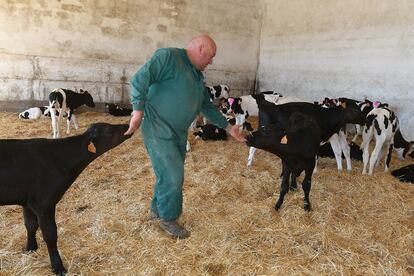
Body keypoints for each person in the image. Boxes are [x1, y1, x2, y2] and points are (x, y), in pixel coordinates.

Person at [124, 34, 245, 239]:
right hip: (158, 127)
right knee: (173, 175)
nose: (211, 61)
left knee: (168, 173)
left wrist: (227, 126)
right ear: (200, 49)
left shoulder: (197, 75)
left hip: (178, 132)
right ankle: (168, 218)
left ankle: (157, 211)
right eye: (211, 56)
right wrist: (138, 111)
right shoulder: (168, 57)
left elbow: (205, 105)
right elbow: (139, 79)